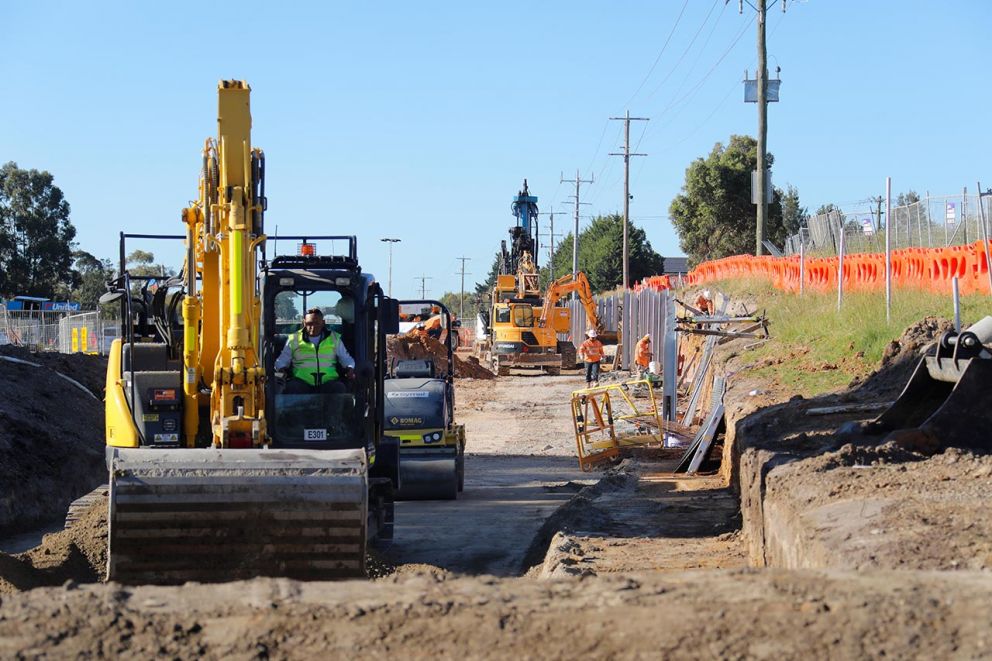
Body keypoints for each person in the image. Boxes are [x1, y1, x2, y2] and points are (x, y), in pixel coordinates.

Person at [275, 307, 355, 394]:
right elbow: (281, 361)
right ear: (304, 323)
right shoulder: (294, 339)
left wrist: (350, 368)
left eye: (317, 323)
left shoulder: (334, 338)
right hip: (301, 382)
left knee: (339, 388)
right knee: (291, 388)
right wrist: (281, 369)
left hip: (328, 383)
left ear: (323, 323)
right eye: (309, 323)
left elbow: (346, 359)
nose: (313, 327)